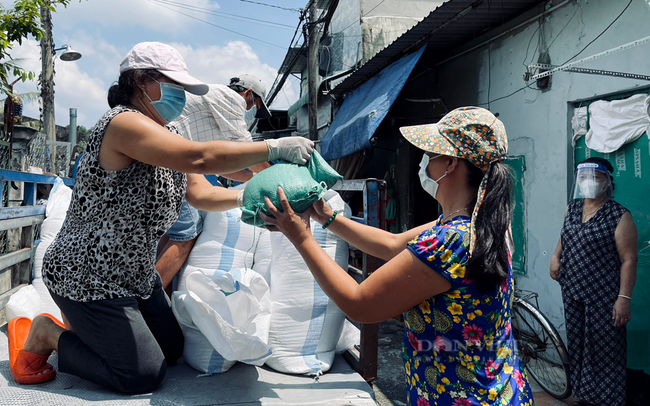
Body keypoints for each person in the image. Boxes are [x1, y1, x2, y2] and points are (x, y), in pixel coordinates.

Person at [7, 41, 313, 393]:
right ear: (140, 80)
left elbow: (201, 193)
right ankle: (49, 333)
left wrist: (249, 195)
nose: (180, 95)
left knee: (171, 351)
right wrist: (272, 147)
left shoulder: (170, 133)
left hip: (135, 274)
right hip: (87, 276)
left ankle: (95, 332)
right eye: (173, 85)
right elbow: (199, 158)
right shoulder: (123, 124)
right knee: (142, 374)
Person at [261, 107, 534, 405]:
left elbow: (360, 305)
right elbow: (391, 244)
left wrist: (300, 237)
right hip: (498, 387)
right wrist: (329, 218)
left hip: (459, 396)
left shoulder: (449, 242)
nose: (424, 162)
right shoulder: (482, 223)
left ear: (451, 163)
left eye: (430, 153)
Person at [156, 75, 272, 295]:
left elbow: (223, 166)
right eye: (253, 104)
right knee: (186, 234)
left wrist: (254, 178)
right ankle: (149, 299)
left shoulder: (215, 114)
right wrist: (275, 174)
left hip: (169, 157)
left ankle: (162, 291)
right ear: (247, 93)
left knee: (172, 231)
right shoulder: (231, 100)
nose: (251, 110)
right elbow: (248, 151)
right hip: (171, 159)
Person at [550, 157, 637, 406]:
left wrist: (624, 298)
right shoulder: (573, 208)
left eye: (595, 177)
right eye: (584, 177)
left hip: (604, 295)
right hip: (573, 289)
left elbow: (629, 260)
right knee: (578, 344)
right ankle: (585, 396)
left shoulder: (619, 216)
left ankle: (608, 399)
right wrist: (555, 257)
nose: (589, 182)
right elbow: (565, 235)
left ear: (607, 182)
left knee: (605, 348)